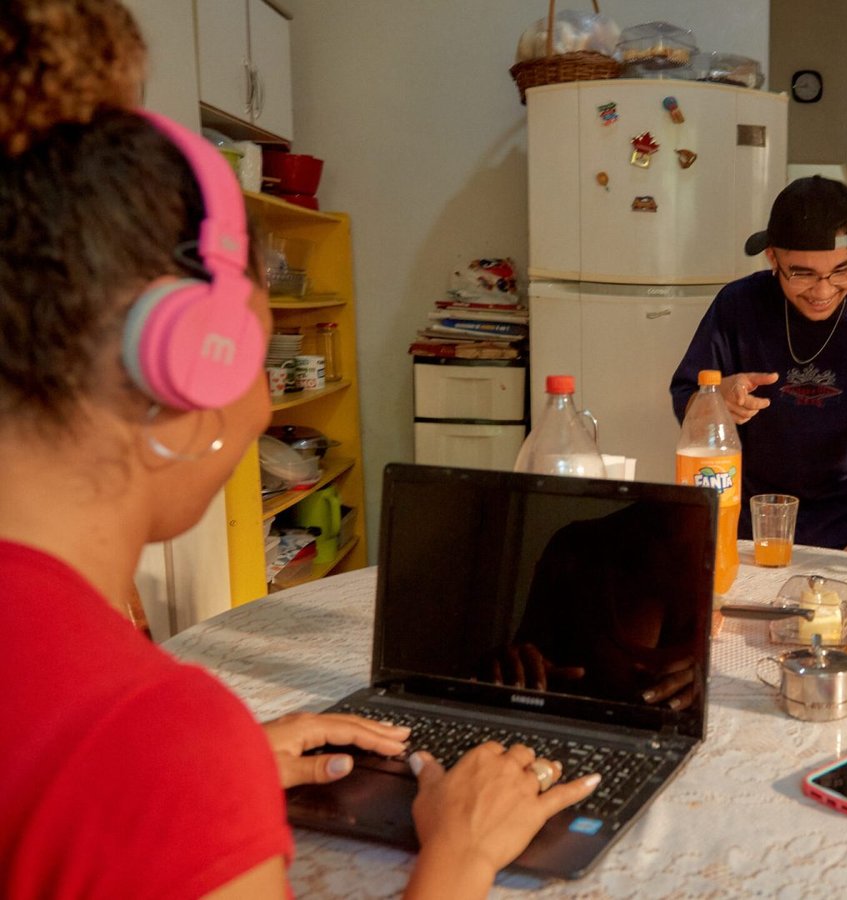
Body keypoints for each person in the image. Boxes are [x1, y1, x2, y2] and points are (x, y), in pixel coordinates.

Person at [0, 2, 594, 897]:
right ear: (189, 365)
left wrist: (218, 767)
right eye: (257, 356)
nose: (264, 403)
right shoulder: (148, 740)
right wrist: (461, 855)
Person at [669, 175, 847, 555]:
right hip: (743, 527)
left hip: (846, 533)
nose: (823, 291)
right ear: (773, 258)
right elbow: (686, 398)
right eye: (803, 273)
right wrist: (716, 398)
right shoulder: (737, 307)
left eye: (842, 270)